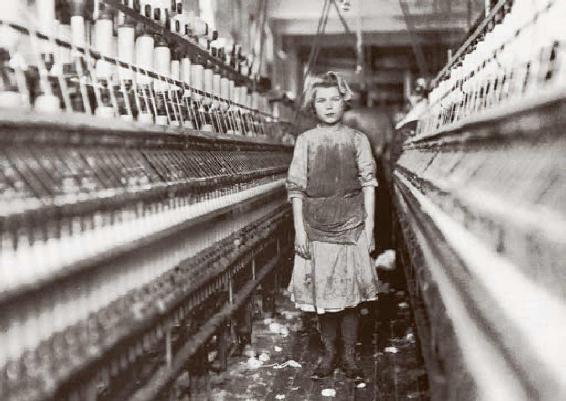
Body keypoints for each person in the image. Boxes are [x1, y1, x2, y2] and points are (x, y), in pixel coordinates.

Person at [286, 71, 380, 380]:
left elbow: (369, 185)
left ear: (344, 103)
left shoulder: (358, 140)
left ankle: (349, 357)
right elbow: (296, 189)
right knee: (324, 298)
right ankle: (329, 355)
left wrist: (369, 228)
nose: (328, 106)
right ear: (313, 106)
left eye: (334, 100)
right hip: (316, 228)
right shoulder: (305, 141)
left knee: (350, 297)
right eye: (321, 101)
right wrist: (300, 231)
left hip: (352, 227)